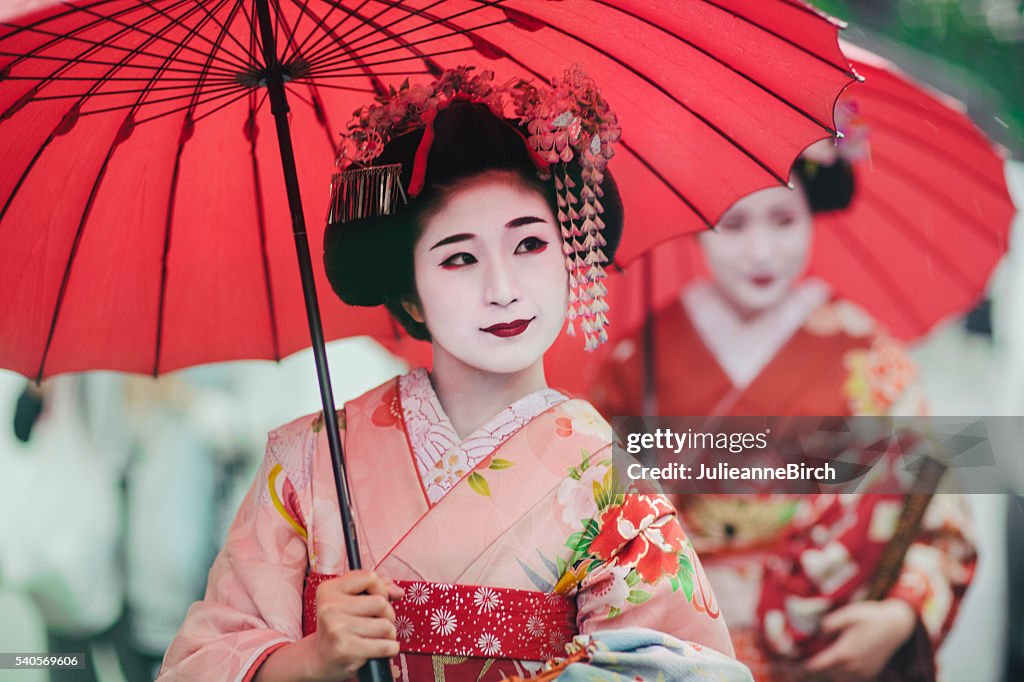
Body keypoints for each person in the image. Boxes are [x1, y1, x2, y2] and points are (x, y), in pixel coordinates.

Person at [159, 66, 750, 681]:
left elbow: (685, 671)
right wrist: (311, 658)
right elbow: (195, 665)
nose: (503, 290)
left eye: (529, 245)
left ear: (572, 257)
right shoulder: (305, 463)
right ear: (410, 296)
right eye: (459, 258)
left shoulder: (610, 482)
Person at [590, 141, 977, 681]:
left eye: (782, 219)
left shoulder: (863, 353)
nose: (762, 250)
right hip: (678, 641)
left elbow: (937, 500)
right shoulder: (640, 360)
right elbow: (588, 516)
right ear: (699, 223)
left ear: (813, 213)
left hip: (821, 638)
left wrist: (899, 615)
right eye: (735, 224)